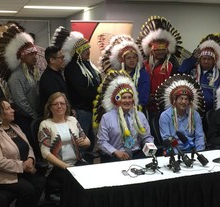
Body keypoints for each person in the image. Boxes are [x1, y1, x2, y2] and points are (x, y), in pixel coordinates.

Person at [0, 98, 46, 207]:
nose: (13, 110)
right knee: (28, 190)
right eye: (8, 108)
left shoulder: (15, 127)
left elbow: (29, 147)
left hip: (21, 170)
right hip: (0, 174)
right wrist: (23, 165)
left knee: (40, 181)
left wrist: (31, 159)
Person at [52, 26, 101, 159]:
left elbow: (97, 83)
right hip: (81, 110)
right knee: (82, 141)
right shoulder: (72, 68)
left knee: (91, 139)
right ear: (78, 51)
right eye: (85, 49)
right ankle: (81, 163)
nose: (88, 52)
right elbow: (81, 90)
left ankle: (89, 164)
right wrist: (98, 95)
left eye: (89, 49)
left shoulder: (88, 65)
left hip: (91, 109)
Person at [0, 25, 41, 156]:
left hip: (33, 118)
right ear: (22, 56)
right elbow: (21, 102)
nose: (34, 56)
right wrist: (35, 116)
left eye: (35, 53)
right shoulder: (16, 77)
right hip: (24, 119)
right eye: (30, 54)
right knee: (29, 148)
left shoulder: (33, 73)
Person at [38, 92, 90, 201]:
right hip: (57, 167)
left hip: (77, 161)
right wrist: (65, 166)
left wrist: (85, 143)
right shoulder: (45, 124)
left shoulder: (72, 120)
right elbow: (45, 153)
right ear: (50, 107)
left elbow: (87, 140)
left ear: (67, 106)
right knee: (74, 181)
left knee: (90, 177)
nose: (59, 106)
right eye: (55, 104)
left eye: (62, 103)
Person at [94, 70, 154, 162]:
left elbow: (146, 137)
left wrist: (150, 146)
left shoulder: (140, 116)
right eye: (124, 97)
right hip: (114, 156)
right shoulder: (107, 117)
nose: (127, 101)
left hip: (137, 154)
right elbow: (102, 142)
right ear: (117, 100)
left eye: (130, 98)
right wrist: (115, 152)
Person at [136, 15, 183, 119]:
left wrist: (160, 97)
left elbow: (175, 84)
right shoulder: (144, 63)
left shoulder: (172, 63)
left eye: (162, 50)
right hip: (146, 104)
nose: (160, 52)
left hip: (165, 104)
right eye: (157, 50)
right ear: (151, 50)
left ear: (167, 49)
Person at [178, 34, 220, 113]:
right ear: (199, 59)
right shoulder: (192, 72)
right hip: (190, 112)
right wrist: (193, 58)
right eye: (203, 58)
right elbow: (180, 72)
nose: (206, 61)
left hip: (211, 115)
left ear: (214, 61)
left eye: (209, 59)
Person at [157, 74, 206, 152]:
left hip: (192, 151)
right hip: (174, 152)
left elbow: (199, 136)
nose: (183, 102)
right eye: (181, 98)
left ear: (189, 102)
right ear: (174, 101)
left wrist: (199, 152)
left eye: (186, 99)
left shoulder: (195, 115)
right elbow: (167, 139)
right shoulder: (165, 116)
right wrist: (178, 155)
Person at [99, 34, 150, 107]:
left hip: (138, 110)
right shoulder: (117, 75)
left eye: (134, 58)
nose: (132, 60)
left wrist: (132, 107)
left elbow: (144, 97)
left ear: (137, 59)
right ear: (123, 60)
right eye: (128, 58)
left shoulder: (143, 74)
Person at [39, 45, 68, 115]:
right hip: (54, 116)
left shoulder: (58, 73)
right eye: (61, 58)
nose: (63, 60)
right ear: (52, 60)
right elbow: (56, 100)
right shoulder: (47, 78)